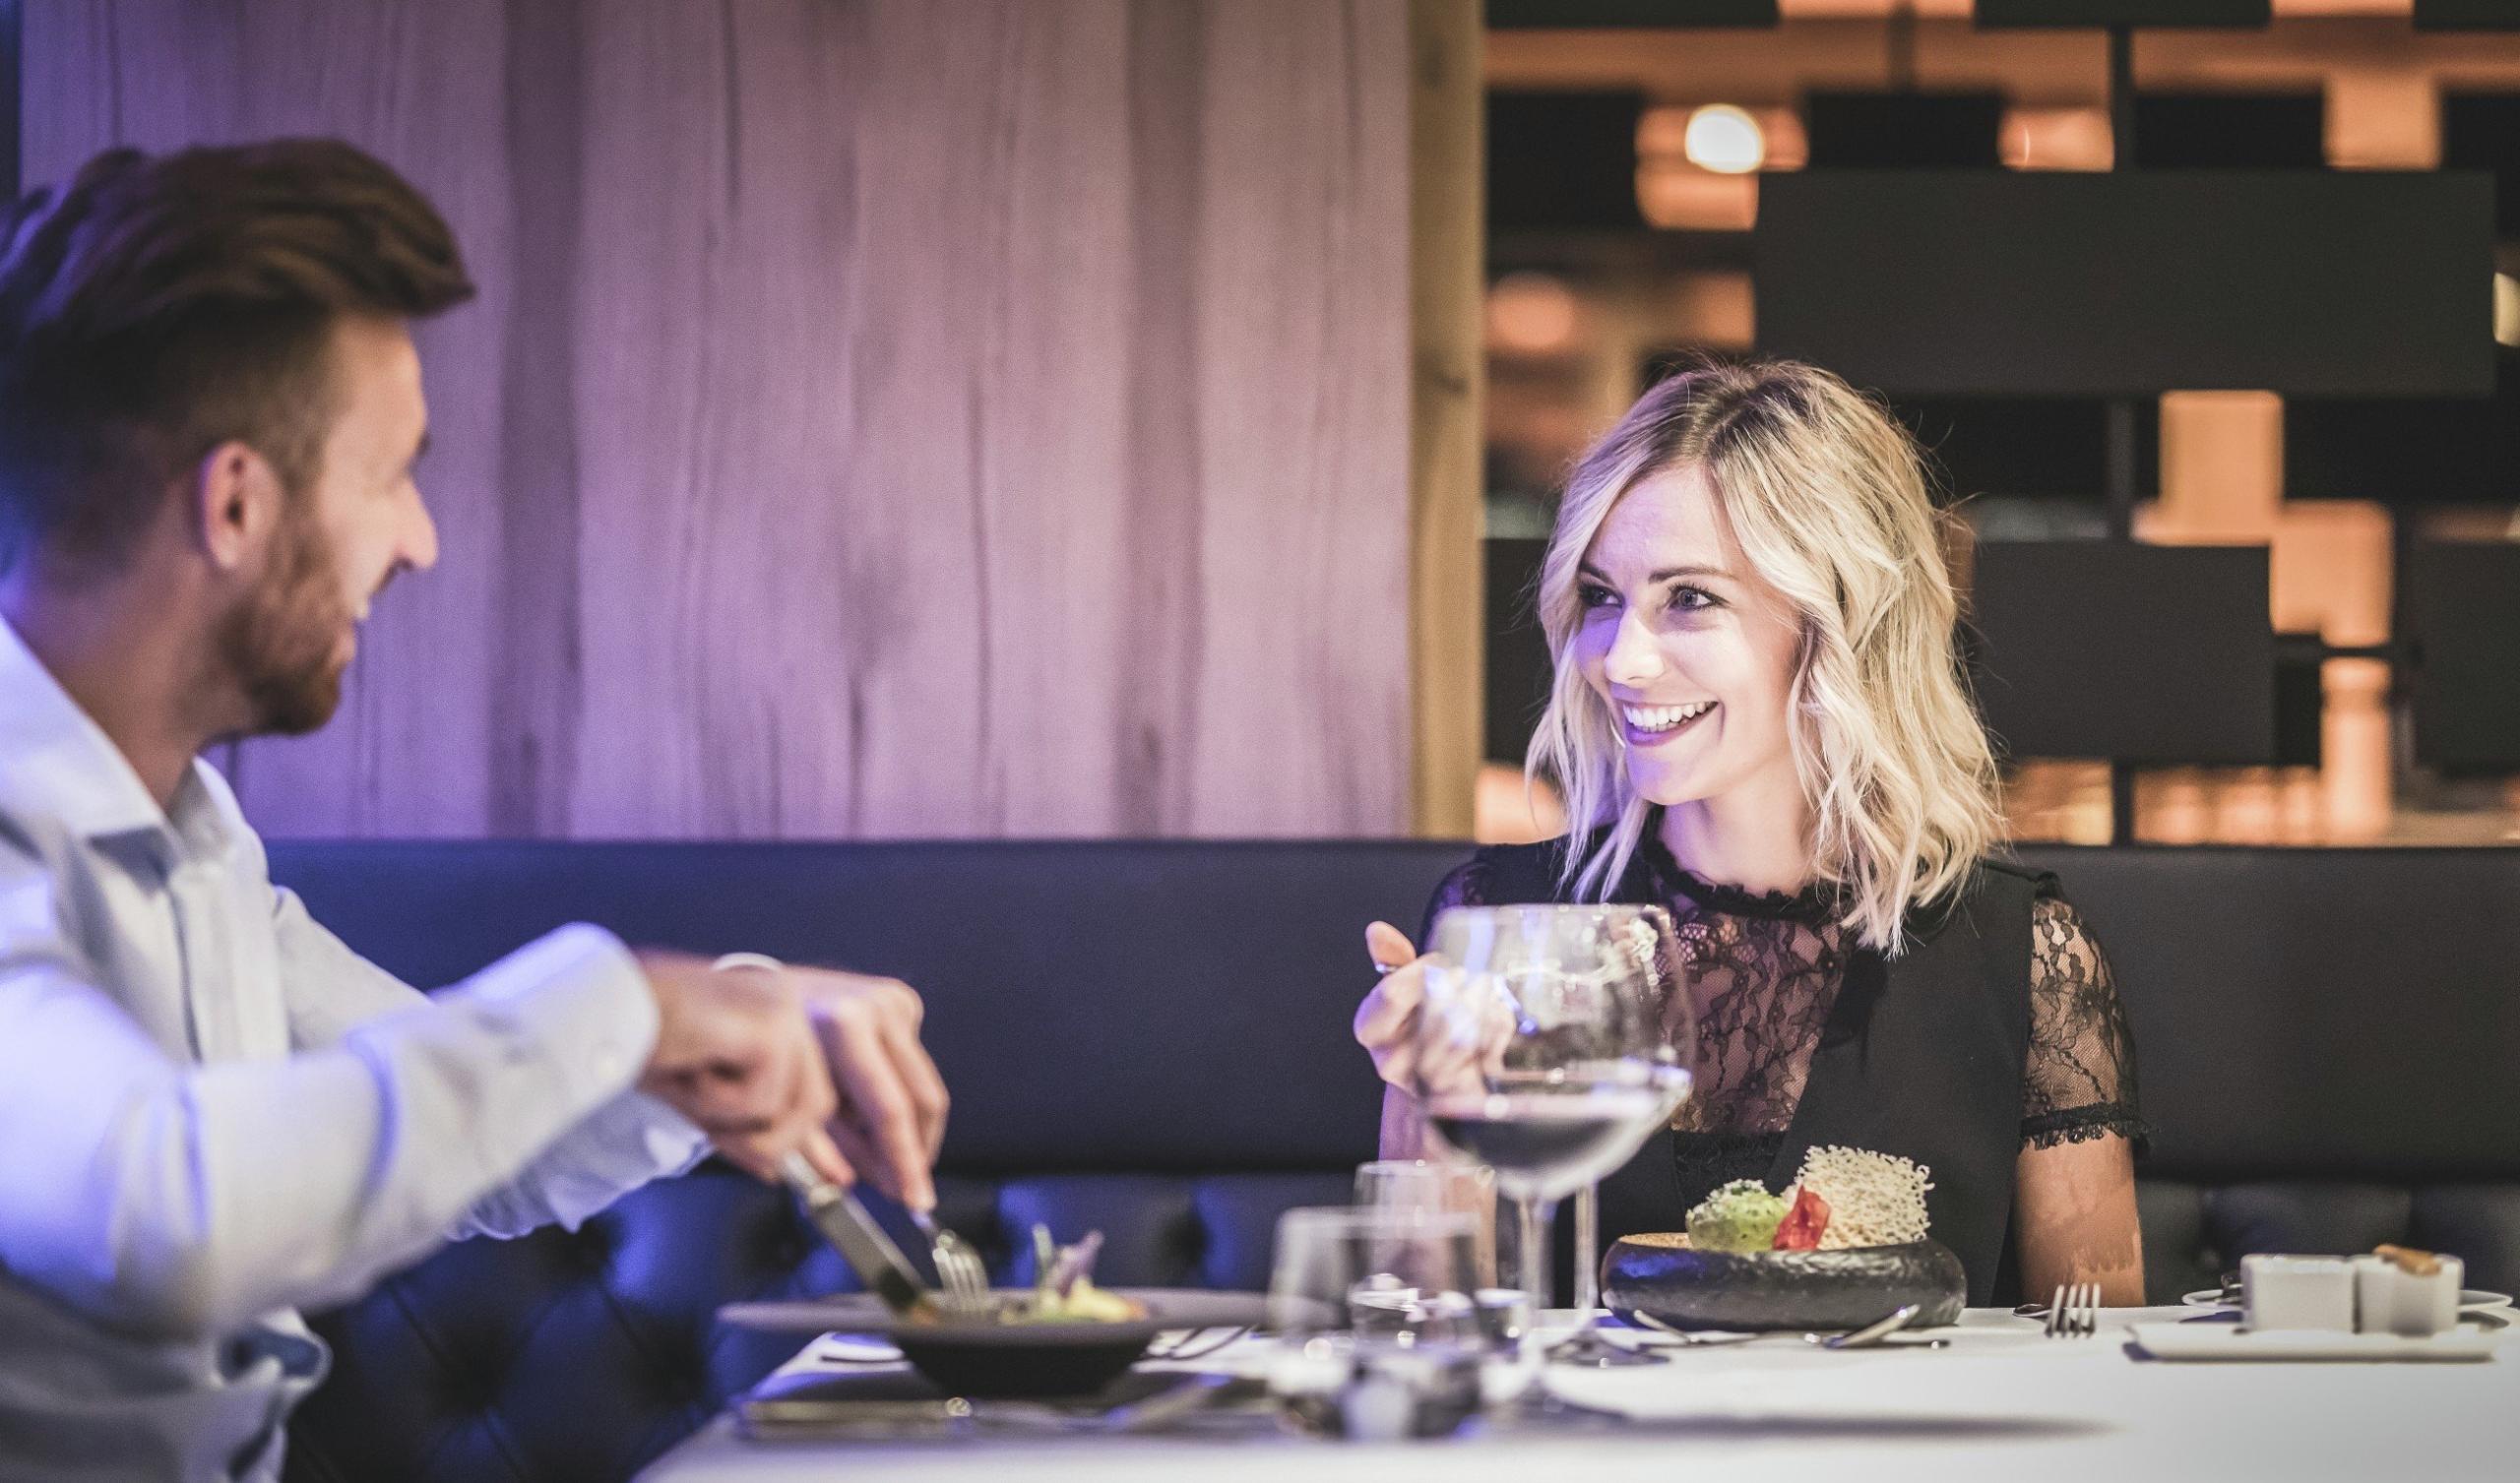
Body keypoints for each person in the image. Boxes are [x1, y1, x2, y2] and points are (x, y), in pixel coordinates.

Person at [0, 141, 949, 1479]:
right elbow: (164, 1212)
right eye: (390, 473)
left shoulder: (197, 839)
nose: (421, 539)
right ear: (237, 503)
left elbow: (482, 1137)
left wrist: (733, 1019)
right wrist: (632, 999)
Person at [1354, 357, 2145, 1308]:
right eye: (1602, 596)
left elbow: (2096, 1346)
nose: (1620, 660)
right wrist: (1425, 1094)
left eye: (1689, 598)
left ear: (1838, 622)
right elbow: (1419, 1326)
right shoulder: (1505, 925)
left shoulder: (2025, 956)